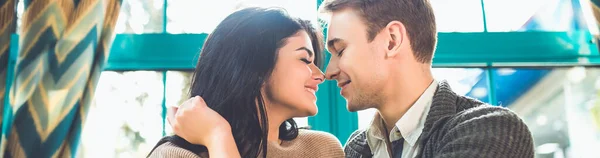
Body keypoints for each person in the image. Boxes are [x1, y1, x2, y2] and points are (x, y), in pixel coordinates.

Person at [169, 0, 536, 157]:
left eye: (339, 50)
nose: (327, 72)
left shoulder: (490, 130)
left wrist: (218, 138)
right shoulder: (357, 149)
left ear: (391, 40)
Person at [147, 7, 344, 158]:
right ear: (256, 67)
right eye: (304, 60)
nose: (321, 75)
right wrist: (217, 135)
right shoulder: (175, 155)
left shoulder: (322, 150)